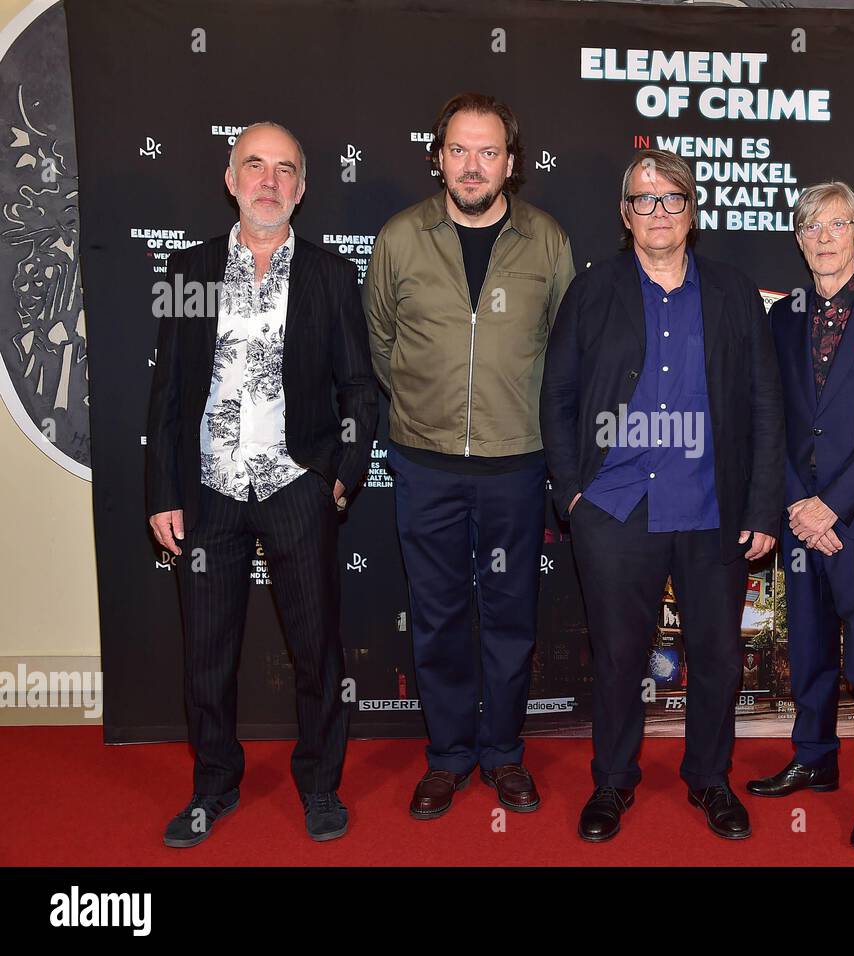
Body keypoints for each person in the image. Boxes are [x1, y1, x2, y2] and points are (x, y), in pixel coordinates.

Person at [540, 149, 784, 842]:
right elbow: (556, 395)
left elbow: (767, 402)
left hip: (714, 509)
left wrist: (764, 505)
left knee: (717, 657)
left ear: (692, 211)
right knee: (618, 658)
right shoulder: (592, 292)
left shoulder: (735, 293)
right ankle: (612, 783)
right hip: (616, 508)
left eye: (671, 198)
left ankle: (709, 778)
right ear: (625, 214)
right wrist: (573, 495)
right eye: (643, 199)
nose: (658, 212)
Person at [146, 121, 378, 846]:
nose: (268, 181)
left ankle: (318, 784)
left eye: (284, 170)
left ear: (303, 190)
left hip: (295, 488)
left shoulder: (332, 276)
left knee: (318, 654)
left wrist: (337, 480)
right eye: (255, 165)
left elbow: (360, 390)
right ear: (230, 178)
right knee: (206, 655)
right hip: (209, 489)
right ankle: (213, 787)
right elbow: (169, 396)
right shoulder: (187, 272)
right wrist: (162, 492)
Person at [365, 92, 575, 821]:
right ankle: (450, 756)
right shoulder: (398, 238)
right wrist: (428, 412)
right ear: (438, 156)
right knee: (438, 616)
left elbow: (565, 348)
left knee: (512, 615)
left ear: (511, 163)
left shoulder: (546, 240)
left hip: (518, 463)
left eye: (489, 152)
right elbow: (382, 346)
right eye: (459, 149)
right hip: (425, 463)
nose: (473, 165)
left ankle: (505, 754)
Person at [746, 181, 854, 850]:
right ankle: (815, 758)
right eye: (810, 226)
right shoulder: (782, 316)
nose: (823, 236)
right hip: (800, 517)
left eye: (837, 224)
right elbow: (775, 419)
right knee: (809, 649)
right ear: (798, 240)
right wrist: (798, 504)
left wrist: (831, 506)